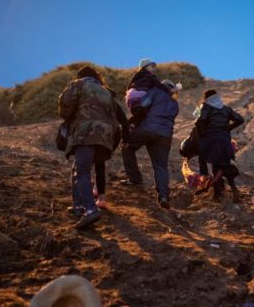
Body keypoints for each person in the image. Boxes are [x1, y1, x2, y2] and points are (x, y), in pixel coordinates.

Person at [58, 66, 118, 229]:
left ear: (81, 76)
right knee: (77, 167)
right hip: (105, 136)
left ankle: (90, 209)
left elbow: (64, 107)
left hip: (86, 134)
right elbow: (114, 117)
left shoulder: (78, 85)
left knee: (82, 170)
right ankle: (78, 205)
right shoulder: (105, 91)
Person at [120, 79, 180, 209]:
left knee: (126, 146)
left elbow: (143, 104)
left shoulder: (155, 91)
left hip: (147, 129)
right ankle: (163, 196)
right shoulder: (175, 102)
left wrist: (134, 109)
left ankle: (135, 178)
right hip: (165, 135)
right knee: (160, 166)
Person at [194, 89, 244, 202]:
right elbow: (240, 119)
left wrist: (203, 133)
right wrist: (227, 128)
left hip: (211, 140)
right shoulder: (226, 109)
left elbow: (198, 121)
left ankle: (216, 193)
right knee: (225, 165)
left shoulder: (205, 107)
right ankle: (234, 190)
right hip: (225, 141)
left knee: (209, 161)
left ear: (206, 98)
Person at [125, 58, 168, 126]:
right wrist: (170, 91)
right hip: (142, 96)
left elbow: (129, 86)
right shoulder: (149, 76)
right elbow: (159, 86)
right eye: (151, 66)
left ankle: (131, 125)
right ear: (145, 67)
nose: (154, 68)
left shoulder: (136, 76)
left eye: (154, 67)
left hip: (131, 98)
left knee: (140, 116)